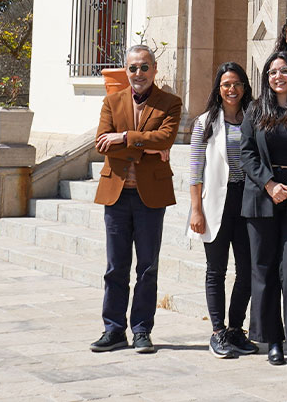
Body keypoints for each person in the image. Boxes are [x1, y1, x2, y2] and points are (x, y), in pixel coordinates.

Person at [89, 44, 182, 354]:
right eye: (133, 68)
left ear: (154, 70)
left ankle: (142, 330)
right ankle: (113, 330)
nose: (138, 73)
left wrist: (124, 138)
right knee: (116, 267)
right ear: (126, 71)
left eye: (144, 67)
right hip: (116, 195)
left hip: (149, 198)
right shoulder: (111, 101)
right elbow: (102, 144)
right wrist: (147, 146)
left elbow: (166, 138)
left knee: (147, 268)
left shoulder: (170, 103)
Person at [241, 51, 287, 367]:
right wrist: (270, 184)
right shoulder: (255, 110)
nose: (278, 76)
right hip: (262, 197)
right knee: (265, 270)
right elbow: (247, 153)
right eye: (272, 72)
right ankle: (273, 340)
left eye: (284, 70)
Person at [187, 62, 260, 359]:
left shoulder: (253, 118)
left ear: (245, 88)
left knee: (247, 270)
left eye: (238, 84)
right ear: (218, 88)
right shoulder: (205, 122)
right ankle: (218, 331)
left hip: (247, 201)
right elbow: (195, 171)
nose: (232, 89)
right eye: (227, 84)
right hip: (216, 202)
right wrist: (196, 210)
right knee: (216, 270)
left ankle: (235, 329)